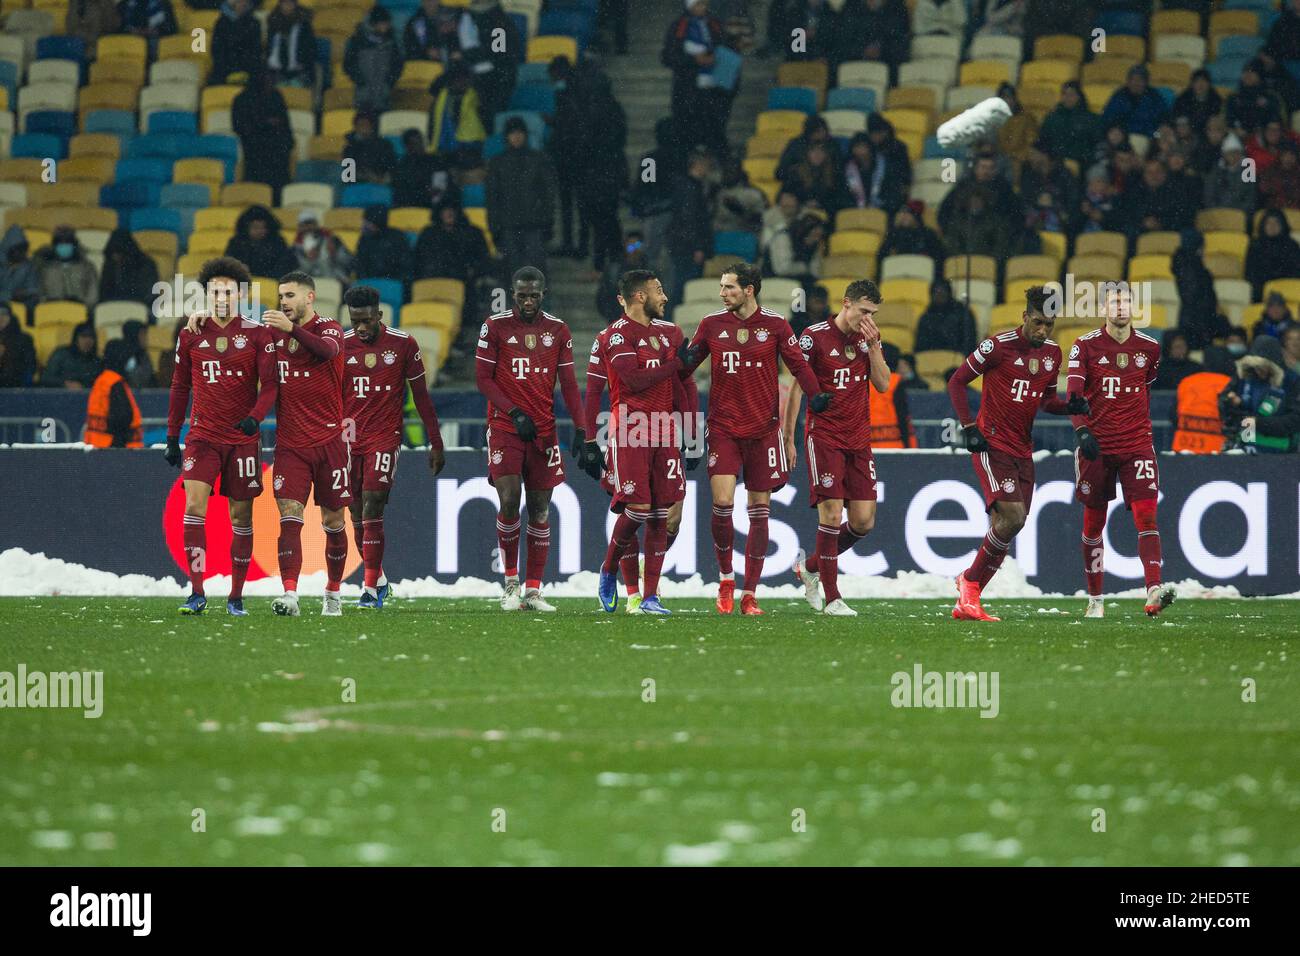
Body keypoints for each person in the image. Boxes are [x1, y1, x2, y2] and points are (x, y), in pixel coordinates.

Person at [678, 263, 830, 615]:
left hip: (764, 431)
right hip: (724, 429)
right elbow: (686, 367)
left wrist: (816, 394)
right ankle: (726, 579)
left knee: (759, 512)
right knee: (722, 504)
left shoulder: (776, 325)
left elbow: (799, 365)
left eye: (729, 287)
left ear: (749, 290)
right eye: (721, 286)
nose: (722, 293)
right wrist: (675, 360)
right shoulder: (711, 324)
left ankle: (750, 593)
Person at [946, 286, 1087, 621]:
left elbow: (1047, 401)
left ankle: (969, 601)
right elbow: (956, 381)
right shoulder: (996, 347)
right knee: (1013, 517)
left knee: (1008, 525)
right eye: (1037, 322)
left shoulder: (1052, 354)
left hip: (1023, 448)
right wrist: (969, 428)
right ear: (1025, 316)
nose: (1042, 330)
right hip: (992, 444)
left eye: (1048, 325)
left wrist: (1072, 405)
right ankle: (969, 583)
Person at [165, 257, 278, 616]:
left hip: (242, 440)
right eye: (216, 291)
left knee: (241, 517)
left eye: (229, 291)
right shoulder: (191, 333)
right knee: (194, 507)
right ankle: (197, 593)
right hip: (203, 436)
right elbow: (179, 387)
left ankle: (236, 596)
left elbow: (271, 385)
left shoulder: (258, 334)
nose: (222, 297)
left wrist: (254, 418)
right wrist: (172, 435)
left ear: (240, 294)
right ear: (208, 295)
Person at [584, 270, 697, 615]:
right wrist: (590, 438)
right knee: (637, 509)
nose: (664, 297)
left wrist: (691, 431)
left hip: (665, 429)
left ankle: (649, 597)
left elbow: (684, 385)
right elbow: (631, 380)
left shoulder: (670, 333)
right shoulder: (615, 336)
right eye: (658, 291)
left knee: (663, 515)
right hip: (629, 429)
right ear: (638, 297)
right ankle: (609, 569)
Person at [475, 267, 584, 611]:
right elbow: (483, 379)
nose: (527, 301)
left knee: (540, 509)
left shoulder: (558, 330)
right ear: (513, 293)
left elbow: (568, 384)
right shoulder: (494, 327)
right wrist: (513, 412)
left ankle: (534, 590)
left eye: (533, 295)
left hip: (544, 431)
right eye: (521, 295)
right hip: (506, 427)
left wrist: (583, 429)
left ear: (543, 293)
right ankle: (510, 584)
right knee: (509, 498)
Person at [780, 278, 888, 616]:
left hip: (858, 439)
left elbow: (883, 385)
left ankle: (810, 567)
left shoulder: (868, 339)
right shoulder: (813, 337)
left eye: (873, 314)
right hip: (824, 436)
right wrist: (788, 437)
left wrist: (874, 346)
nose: (867, 319)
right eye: (863, 311)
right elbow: (796, 389)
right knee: (831, 514)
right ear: (846, 303)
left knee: (863, 522)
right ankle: (832, 597)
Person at [1066, 287, 1174, 618]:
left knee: (1147, 515)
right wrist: (1082, 430)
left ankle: (1153, 589)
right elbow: (1073, 395)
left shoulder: (1150, 348)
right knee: (1093, 523)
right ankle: (1096, 600)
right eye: (1115, 302)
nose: (1121, 307)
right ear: (1103, 308)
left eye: (1127, 302)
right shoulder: (1083, 346)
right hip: (1097, 446)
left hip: (1137, 444)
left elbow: (1146, 383)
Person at [341, 285, 445, 608]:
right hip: (348, 440)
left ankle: (369, 589)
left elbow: (422, 397)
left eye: (367, 320)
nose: (361, 327)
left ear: (379, 315)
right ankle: (380, 579)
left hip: (385, 437)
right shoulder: (340, 346)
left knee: (373, 503)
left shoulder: (403, 344)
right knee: (356, 514)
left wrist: (436, 441)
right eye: (355, 320)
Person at [486, 116, 557, 281]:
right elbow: (492, 198)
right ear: (506, 136)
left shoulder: (539, 159)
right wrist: (494, 227)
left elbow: (548, 194)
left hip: (534, 224)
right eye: (512, 133)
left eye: (519, 133)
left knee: (537, 273)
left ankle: (541, 306)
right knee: (512, 273)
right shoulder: (497, 163)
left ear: (525, 135)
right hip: (508, 225)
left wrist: (547, 221)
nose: (516, 137)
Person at [662, 0, 733, 159]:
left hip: (713, 91)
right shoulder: (678, 26)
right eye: (699, 4)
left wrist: (717, 58)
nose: (703, 8)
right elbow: (667, 56)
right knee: (687, 136)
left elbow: (727, 48)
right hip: (688, 92)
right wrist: (694, 60)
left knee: (714, 134)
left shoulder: (714, 24)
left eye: (705, 4)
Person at [575, 68, 628, 275]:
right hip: (609, 172)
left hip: (596, 173)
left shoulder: (589, 112)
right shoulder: (615, 109)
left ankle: (601, 263)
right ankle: (612, 259)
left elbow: (584, 144)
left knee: (600, 221)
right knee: (609, 219)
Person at [1219, 334, 1300, 452]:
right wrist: (1230, 403)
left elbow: (1295, 420)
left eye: (1264, 366)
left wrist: (1260, 422)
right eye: (1256, 366)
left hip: (1280, 452)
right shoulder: (1244, 376)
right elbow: (1226, 410)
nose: (1259, 371)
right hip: (1245, 448)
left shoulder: (1291, 381)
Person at [232, 70, 292, 203]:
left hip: (277, 159)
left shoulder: (276, 97)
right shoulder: (241, 99)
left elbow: (286, 130)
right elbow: (239, 127)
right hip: (254, 156)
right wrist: (265, 124)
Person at [457, 0, 521, 126]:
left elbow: (499, 55)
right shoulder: (472, 17)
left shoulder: (499, 23)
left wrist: (469, 55)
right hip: (482, 75)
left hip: (498, 80)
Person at [665, 148, 714, 310]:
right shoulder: (690, 188)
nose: (708, 168)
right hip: (687, 246)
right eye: (706, 164)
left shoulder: (688, 186)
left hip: (683, 244)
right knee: (684, 287)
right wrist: (697, 246)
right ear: (697, 164)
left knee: (683, 286)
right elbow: (690, 219)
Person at [344, 6, 403, 113]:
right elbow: (348, 65)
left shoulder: (392, 43)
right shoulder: (357, 41)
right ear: (373, 24)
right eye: (383, 24)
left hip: (383, 95)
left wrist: (388, 83)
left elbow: (398, 66)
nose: (386, 27)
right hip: (363, 95)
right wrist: (360, 81)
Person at [428, 62, 486, 169]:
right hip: (446, 147)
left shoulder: (473, 95)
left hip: (470, 146)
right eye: (457, 79)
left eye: (464, 79)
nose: (461, 82)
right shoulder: (443, 97)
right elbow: (432, 88)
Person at [1037, 82, 1103, 171]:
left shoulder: (1091, 119)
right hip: (1053, 163)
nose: (1067, 98)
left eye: (1071, 94)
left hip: (1081, 164)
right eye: (1064, 94)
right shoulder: (1052, 118)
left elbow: (1094, 146)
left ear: (1079, 96)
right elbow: (1042, 140)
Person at [225, 206, 297, 279]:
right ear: (246, 228)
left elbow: (285, 265)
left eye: (263, 227)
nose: (259, 231)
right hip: (244, 283)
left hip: (271, 283)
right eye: (255, 227)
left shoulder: (278, 242)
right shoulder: (236, 243)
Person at [35, 227, 99, 307]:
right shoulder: (45, 269)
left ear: (74, 245)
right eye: (60, 243)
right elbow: (39, 294)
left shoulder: (87, 268)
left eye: (67, 242)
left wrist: (83, 305)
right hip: (51, 312)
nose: (64, 246)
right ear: (54, 246)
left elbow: (93, 295)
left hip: (80, 313)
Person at [393, 129, 457, 208]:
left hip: (439, 203)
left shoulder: (435, 160)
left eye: (420, 142)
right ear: (407, 146)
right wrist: (425, 193)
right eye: (415, 143)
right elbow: (403, 192)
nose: (420, 146)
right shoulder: (402, 166)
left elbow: (446, 180)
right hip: (414, 206)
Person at [1246, 207, 1300, 300]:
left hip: (1288, 288)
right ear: (1263, 225)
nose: (1272, 226)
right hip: (1262, 290)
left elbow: (1296, 270)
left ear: (1283, 225)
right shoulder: (1255, 246)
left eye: (1276, 223)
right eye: (1269, 223)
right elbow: (1251, 273)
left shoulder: (1292, 245)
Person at [1103, 64, 1169, 138]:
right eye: (1133, 79)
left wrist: (1158, 131)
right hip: (1123, 137)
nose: (1136, 83)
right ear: (1128, 81)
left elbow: (1164, 118)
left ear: (1146, 82)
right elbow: (1107, 119)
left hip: (1149, 137)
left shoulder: (1154, 96)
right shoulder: (1119, 95)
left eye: (1140, 80)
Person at [914, 278, 977, 355]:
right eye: (936, 293)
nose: (939, 296)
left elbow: (970, 343)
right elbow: (920, 348)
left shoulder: (963, 313)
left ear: (949, 293)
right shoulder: (925, 318)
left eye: (942, 292)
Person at [355, 206, 413, 286]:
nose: (363, 226)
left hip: (394, 285)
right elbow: (360, 267)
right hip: (370, 284)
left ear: (376, 224)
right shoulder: (364, 239)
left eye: (367, 223)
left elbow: (405, 268)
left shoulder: (398, 238)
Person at [98, 228, 158, 305]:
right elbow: (103, 292)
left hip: (140, 306)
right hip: (114, 306)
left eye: (119, 253)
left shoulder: (146, 265)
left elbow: (149, 294)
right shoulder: (110, 264)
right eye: (113, 254)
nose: (116, 257)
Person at [292, 211, 355, 282]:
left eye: (310, 223)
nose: (307, 227)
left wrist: (334, 254)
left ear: (316, 224)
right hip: (310, 279)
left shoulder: (332, 239)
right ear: (299, 227)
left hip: (334, 276)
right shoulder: (296, 246)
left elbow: (350, 262)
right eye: (304, 224)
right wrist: (308, 260)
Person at [265, 0, 316, 87]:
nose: (287, 6)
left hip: (300, 71)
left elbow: (310, 50)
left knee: (295, 89)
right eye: (285, 3)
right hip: (277, 71)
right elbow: (270, 49)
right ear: (280, 4)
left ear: (295, 4)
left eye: (290, 3)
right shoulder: (273, 24)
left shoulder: (304, 25)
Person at [1203, 133, 1256, 215]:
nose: (1233, 156)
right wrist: (1219, 212)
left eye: (1235, 152)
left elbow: (1251, 198)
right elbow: (1209, 197)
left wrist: (1238, 213)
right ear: (1224, 154)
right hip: (1218, 216)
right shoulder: (1215, 172)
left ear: (1240, 153)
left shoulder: (1248, 171)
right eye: (1229, 153)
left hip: (1241, 216)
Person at [210, 0, 262, 85]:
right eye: (239, 2)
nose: (242, 4)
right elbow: (216, 49)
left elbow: (255, 50)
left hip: (248, 68)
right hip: (224, 68)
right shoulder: (221, 23)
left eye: (245, 2)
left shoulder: (254, 23)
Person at [596, 232, 648, 317]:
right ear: (625, 246)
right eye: (630, 247)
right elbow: (603, 297)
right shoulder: (614, 270)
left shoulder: (650, 270)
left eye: (637, 246)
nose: (634, 250)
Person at [766, 211, 825, 283]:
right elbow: (782, 269)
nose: (817, 240)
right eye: (815, 235)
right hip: (773, 281)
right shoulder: (783, 238)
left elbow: (815, 272)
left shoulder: (814, 245)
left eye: (819, 236)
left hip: (797, 283)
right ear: (805, 231)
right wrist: (804, 267)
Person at [878, 200, 944, 264]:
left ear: (916, 217)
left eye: (908, 213)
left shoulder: (928, 234)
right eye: (901, 212)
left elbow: (939, 257)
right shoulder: (894, 234)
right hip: (897, 270)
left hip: (921, 270)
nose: (903, 216)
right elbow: (882, 256)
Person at [343, 111, 399, 184]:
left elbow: (392, 165)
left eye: (366, 124)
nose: (364, 128)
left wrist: (384, 177)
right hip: (359, 184)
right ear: (355, 127)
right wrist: (366, 176)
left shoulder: (384, 144)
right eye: (361, 125)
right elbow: (348, 174)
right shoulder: (349, 148)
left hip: (383, 183)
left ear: (371, 126)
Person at [713, 159, 766, 236]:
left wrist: (740, 210)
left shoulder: (752, 194)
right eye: (725, 172)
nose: (727, 175)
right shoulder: (717, 192)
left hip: (743, 239)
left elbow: (760, 222)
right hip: (718, 238)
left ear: (739, 173)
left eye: (731, 171)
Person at [43, 322, 100, 388]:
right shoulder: (61, 354)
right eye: (83, 336)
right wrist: (65, 384)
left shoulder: (96, 361)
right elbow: (46, 378)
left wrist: (83, 386)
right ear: (76, 339)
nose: (87, 340)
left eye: (91, 337)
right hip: (59, 394)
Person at [0, 227, 40, 317]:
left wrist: (27, 293)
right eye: (18, 249)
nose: (22, 253)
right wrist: (11, 295)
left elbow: (33, 288)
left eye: (24, 249)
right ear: (9, 249)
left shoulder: (29, 266)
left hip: (22, 307)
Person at [1172, 68, 1223, 135]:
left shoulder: (1216, 100)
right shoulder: (1182, 99)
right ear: (1192, 84)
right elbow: (1176, 118)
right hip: (1188, 133)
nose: (1200, 84)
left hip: (1208, 133)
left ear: (1209, 84)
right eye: (1196, 81)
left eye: (1203, 81)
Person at [0, 301, 36, 387]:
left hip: (14, 384)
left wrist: (7, 354)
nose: (0, 318)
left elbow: (30, 365)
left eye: (3, 314)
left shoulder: (24, 339)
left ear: (11, 317)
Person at [1260, 142, 1300, 210]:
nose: (1288, 158)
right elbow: (1264, 188)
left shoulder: (1298, 173)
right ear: (1281, 156)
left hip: (1296, 212)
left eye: (1292, 155)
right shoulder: (1271, 171)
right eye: (1286, 155)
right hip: (1274, 210)